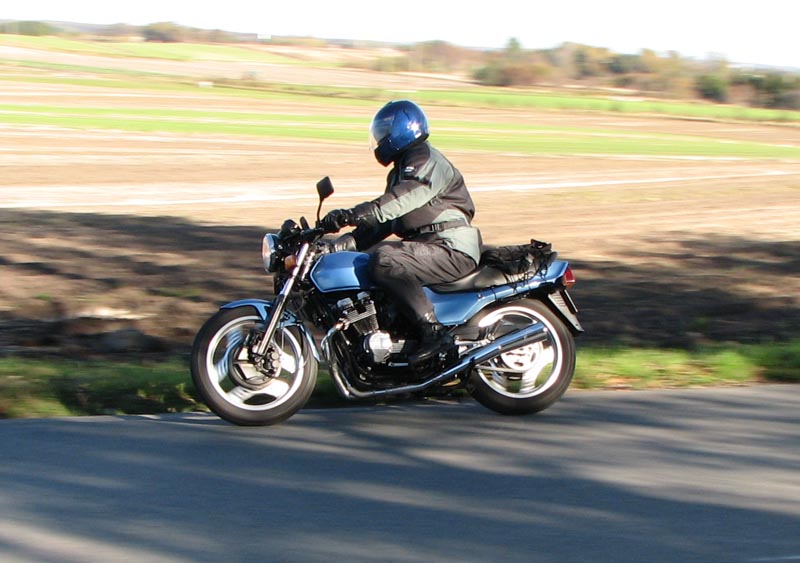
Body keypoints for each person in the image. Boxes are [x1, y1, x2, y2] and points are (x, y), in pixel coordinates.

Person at [321, 100, 482, 365]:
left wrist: (353, 213)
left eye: (384, 132)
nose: (380, 139)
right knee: (370, 267)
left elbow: (399, 201)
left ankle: (434, 333)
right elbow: (383, 224)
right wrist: (335, 246)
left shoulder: (425, 160)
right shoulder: (400, 171)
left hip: (449, 247)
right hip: (429, 246)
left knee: (386, 260)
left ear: (403, 129)